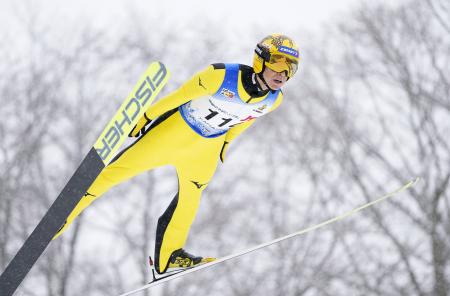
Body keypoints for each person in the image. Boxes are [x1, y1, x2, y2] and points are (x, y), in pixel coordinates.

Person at [53, 33, 300, 274]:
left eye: (291, 68)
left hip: (206, 148)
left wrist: (226, 144)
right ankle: (62, 217)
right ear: (261, 60)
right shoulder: (221, 76)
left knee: (190, 199)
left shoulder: (273, 100)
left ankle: (169, 256)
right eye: (279, 63)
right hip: (175, 133)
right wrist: (146, 116)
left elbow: (246, 119)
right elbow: (178, 97)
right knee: (115, 173)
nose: (283, 73)